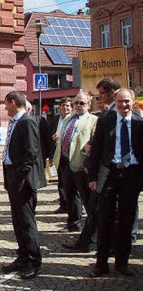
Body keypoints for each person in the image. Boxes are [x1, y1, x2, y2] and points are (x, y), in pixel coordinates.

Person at [87, 88, 143, 277]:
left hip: (131, 175)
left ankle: (122, 262)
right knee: (105, 220)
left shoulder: (139, 123)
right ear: (115, 102)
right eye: (120, 101)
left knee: (127, 221)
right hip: (110, 174)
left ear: (133, 101)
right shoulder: (105, 122)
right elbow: (95, 151)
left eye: (127, 101)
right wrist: (93, 178)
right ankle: (101, 264)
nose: (123, 105)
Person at [1, 91, 46, 280]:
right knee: (18, 220)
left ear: (13, 103)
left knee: (27, 221)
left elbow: (31, 154)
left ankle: (34, 261)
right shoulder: (15, 122)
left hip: (23, 180)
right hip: (13, 177)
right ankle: (22, 257)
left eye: (6, 104)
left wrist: (18, 178)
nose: (4, 108)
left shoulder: (27, 122)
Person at [53, 92, 98, 250]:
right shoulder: (68, 119)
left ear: (88, 105)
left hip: (80, 164)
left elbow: (94, 144)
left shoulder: (93, 120)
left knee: (87, 199)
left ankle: (93, 234)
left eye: (82, 103)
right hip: (65, 162)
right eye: (76, 103)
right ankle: (73, 223)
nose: (78, 106)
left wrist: (89, 161)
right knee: (70, 195)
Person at [51, 98, 73, 214]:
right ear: (59, 107)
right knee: (60, 180)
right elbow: (51, 133)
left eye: (68, 106)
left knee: (70, 181)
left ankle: (73, 205)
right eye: (63, 106)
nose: (65, 108)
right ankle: (63, 204)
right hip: (57, 152)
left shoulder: (73, 119)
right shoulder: (55, 119)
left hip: (69, 154)